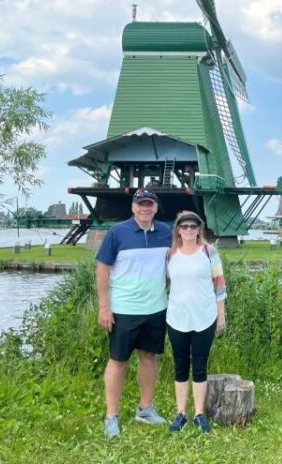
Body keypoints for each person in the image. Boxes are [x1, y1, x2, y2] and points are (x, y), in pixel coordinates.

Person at [95, 188, 171, 438]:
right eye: (141, 204)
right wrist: (104, 307)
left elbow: (174, 264)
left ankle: (145, 409)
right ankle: (111, 416)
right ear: (133, 207)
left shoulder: (165, 232)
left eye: (149, 204)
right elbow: (102, 269)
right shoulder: (117, 233)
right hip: (124, 309)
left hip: (156, 308)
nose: (145, 208)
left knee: (149, 357)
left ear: (156, 208)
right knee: (118, 361)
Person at [165, 210, 227, 434]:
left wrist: (221, 314)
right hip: (177, 317)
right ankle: (180, 413)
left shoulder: (209, 252)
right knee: (180, 365)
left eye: (193, 226)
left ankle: (199, 414)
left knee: (200, 365)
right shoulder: (170, 254)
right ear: (178, 230)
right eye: (185, 226)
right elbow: (164, 283)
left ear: (199, 229)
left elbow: (219, 284)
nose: (189, 230)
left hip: (204, 316)